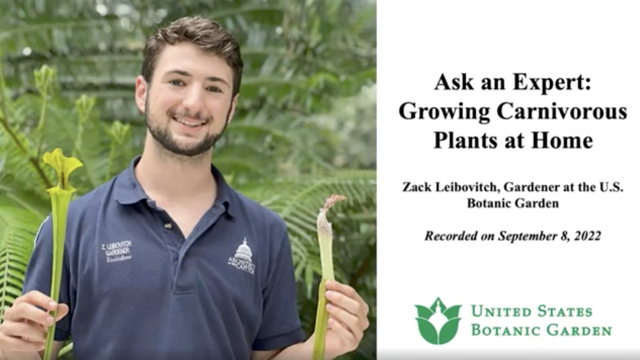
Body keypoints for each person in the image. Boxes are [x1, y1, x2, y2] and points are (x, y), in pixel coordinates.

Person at [0, 16, 370, 360]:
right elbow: (34, 350)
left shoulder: (266, 232)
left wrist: (324, 345)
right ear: (142, 92)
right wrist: (9, 347)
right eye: (177, 81)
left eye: (213, 88)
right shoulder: (72, 226)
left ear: (232, 107)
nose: (193, 103)